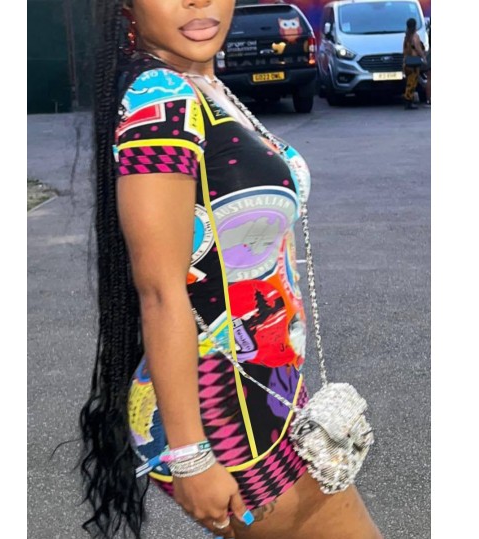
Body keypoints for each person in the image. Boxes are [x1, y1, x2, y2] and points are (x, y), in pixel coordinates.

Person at [79, 1, 383, 538]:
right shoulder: (162, 97)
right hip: (222, 409)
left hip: (264, 388)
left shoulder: (206, 87)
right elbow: (160, 291)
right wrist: (191, 455)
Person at [402, 17, 427, 110]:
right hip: (414, 62)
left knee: (409, 82)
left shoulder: (406, 36)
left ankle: (408, 100)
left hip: (407, 62)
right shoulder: (415, 36)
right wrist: (423, 57)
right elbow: (418, 48)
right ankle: (409, 101)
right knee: (413, 82)